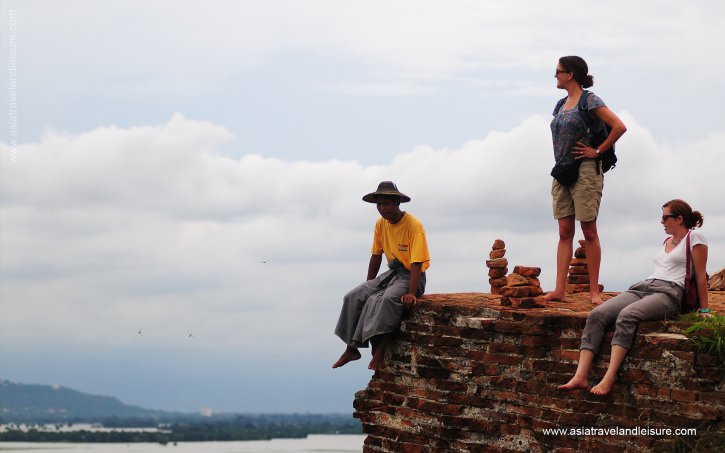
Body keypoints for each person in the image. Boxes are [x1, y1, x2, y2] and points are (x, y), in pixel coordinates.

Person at [559, 199, 712, 396]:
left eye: (665, 217)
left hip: (669, 292)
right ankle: (580, 376)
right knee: (597, 314)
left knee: (627, 315)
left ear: (679, 218)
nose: (662, 222)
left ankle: (610, 377)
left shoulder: (695, 237)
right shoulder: (666, 241)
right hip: (644, 286)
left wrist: (705, 309)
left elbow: (700, 276)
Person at [545, 56, 627, 305]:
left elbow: (619, 126)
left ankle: (594, 292)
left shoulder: (589, 100)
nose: (555, 75)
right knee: (564, 231)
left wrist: (597, 151)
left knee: (588, 229)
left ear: (571, 74)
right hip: (563, 171)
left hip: (585, 170)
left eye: (558, 71)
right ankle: (559, 290)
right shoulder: (560, 104)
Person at [332, 181, 430, 371]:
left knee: (387, 300)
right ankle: (352, 349)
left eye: (386, 204)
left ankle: (380, 350)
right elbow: (376, 255)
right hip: (391, 273)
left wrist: (411, 292)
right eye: (379, 204)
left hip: (411, 276)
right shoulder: (380, 224)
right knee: (354, 296)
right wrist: (369, 283)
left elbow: (417, 262)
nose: (382, 208)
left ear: (397, 203)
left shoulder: (413, 225)